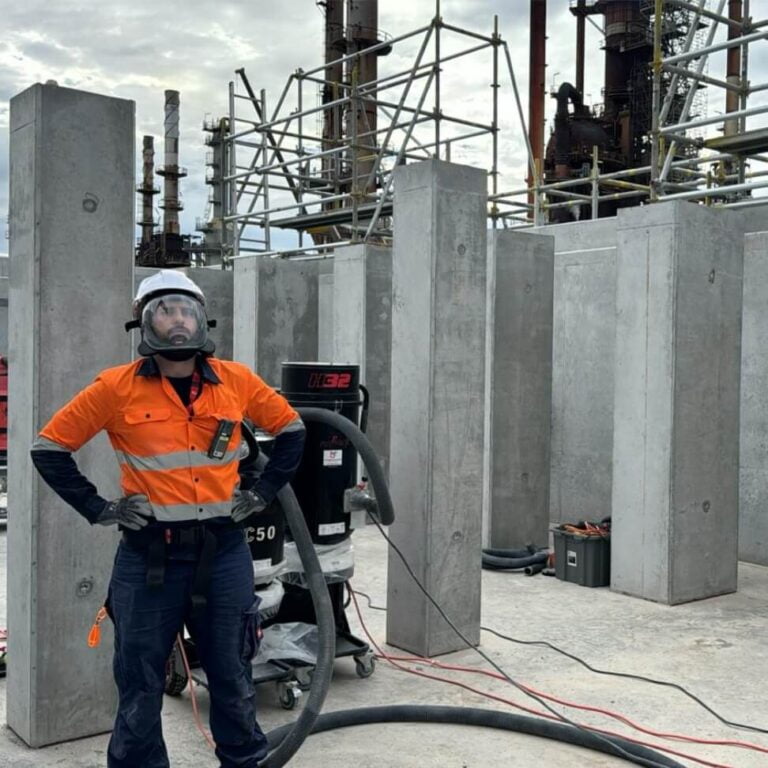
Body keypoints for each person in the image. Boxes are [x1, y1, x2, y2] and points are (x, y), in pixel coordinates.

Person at [30, 269, 305, 768]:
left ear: (201, 319)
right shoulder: (115, 388)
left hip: (222, 555)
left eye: (185, 310)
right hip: (149, 558)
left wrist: (263, 492)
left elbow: (292, 430)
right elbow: (48, 448)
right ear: (143, 324)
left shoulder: (237, 381)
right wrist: (100, 509)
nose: (176, 321)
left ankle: (243, 760)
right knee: (139, 682)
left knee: (233, 674)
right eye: (163, 311)